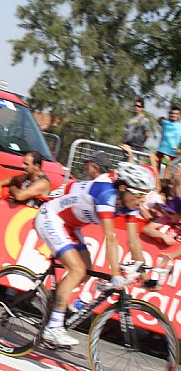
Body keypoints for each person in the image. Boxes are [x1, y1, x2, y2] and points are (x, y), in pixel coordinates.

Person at [34, 153, 154, 347]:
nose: (142, 201)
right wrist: (115, 274)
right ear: (123, 188)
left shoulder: (128, 199)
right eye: (140, 195)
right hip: (51, 218)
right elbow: (110, 238)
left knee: (85, 272)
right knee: (77, 270)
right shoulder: (106, 192)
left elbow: (133, 239)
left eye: (145, 196)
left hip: (70, 225)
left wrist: (144, 270)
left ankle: (52, 303)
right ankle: (53, 328)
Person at [156, 106, 181, 178]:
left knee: (165, 178)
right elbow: (159, 120)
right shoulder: (165, 123)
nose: (173, 115)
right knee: (157, 175)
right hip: (161, 152)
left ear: (179, 115)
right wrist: (162, 119)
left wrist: (180, 150)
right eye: (172, 113)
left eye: (176, 114)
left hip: (171, 155)